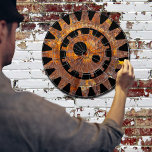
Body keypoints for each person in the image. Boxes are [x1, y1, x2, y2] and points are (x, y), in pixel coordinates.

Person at [0, 0, 135, 151]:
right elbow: (103, 141)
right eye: (16, 29)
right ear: (2, 30)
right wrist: (122, 90)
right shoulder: (30, 114)